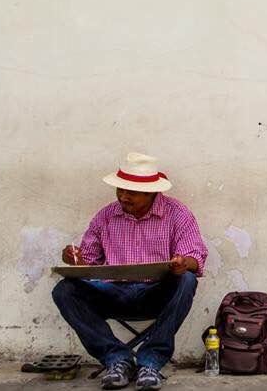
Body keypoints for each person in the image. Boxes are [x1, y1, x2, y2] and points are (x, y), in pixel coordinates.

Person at [52, 153, 208, 390]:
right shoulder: (107, 215)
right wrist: (74, 259)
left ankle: (150, 362)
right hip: (113, 295)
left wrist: (183, 263)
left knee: (186, 279)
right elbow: (88, 264)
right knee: (64, 290)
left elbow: (196, 258)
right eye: (120, 190)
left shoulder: (177, 213)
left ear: (151, 192)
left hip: (156, 296)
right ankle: (117, 359)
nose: (123, 197)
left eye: (131, 192)